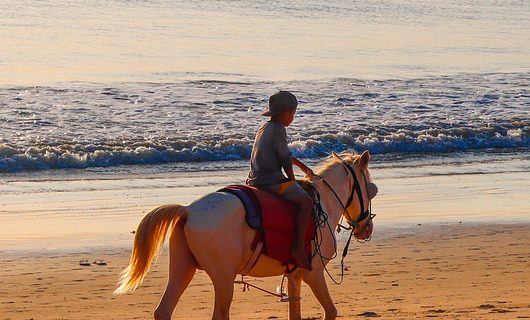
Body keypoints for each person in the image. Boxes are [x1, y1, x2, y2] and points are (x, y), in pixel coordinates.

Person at [247, 90, 314, 271]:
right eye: (292, 113)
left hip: (255, 178)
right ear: (285, 114)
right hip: (270, 182)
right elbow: (285, 160)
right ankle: (298, 248)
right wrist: (293, 182)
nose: (293, 117)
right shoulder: (279, 129)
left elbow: (284, 153)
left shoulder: (265, 127)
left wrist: (303, 168)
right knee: (306, 202)